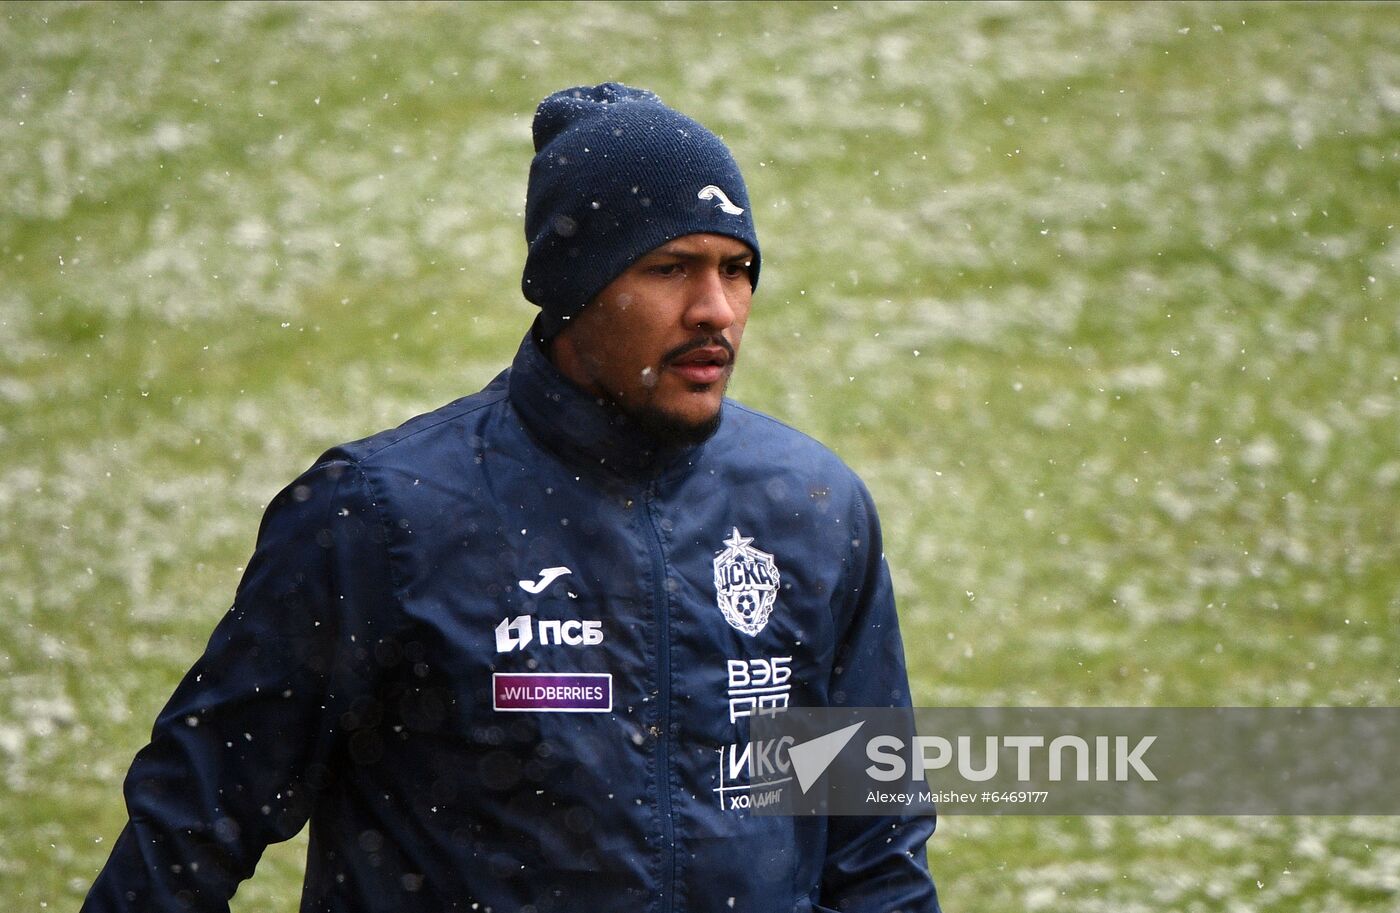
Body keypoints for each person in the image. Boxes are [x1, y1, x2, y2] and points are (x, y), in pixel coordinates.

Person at [82, 83, 940, 913]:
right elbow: (186, 835)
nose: (716, 309)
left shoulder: (812, 510)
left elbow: (877, 853)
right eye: (671, 267)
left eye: (737, 268)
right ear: (575, 290)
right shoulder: (382, 518)